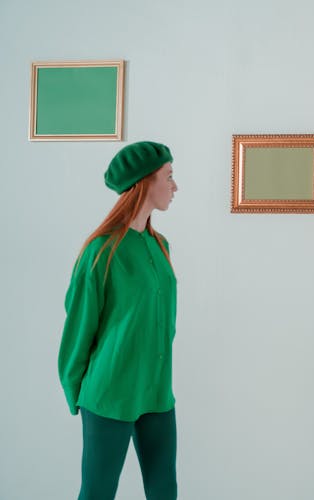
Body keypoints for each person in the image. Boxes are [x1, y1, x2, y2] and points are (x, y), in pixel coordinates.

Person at [58, 141, 179, 500]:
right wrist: (75, 389)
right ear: (145, 182)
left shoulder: (161, 247)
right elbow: (79, 326)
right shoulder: (101, 252)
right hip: (109, 394)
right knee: (98, 492)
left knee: (164, 490)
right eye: (169, 177)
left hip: (156, 392)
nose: (175, 186)